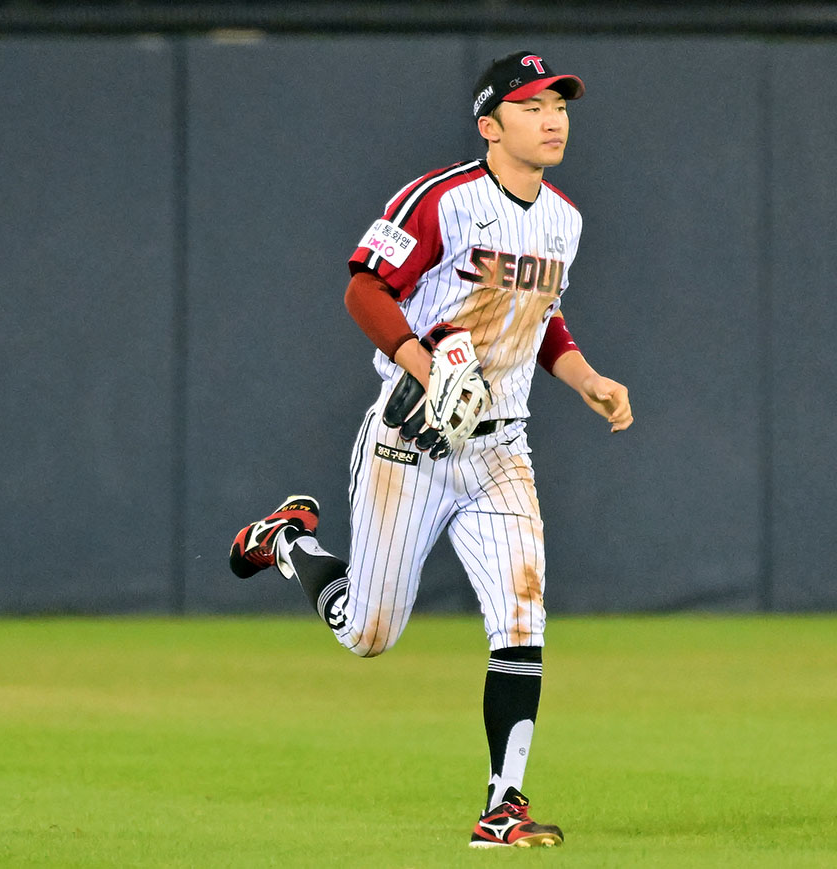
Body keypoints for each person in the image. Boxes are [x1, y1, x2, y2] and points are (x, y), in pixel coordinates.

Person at [229, 50, 632, 849]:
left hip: (500, 450)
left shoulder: (566, 220)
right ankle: (289, 542)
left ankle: (503, 804)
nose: (553, 118)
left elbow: (537, 315)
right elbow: (363, 288)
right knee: (368, 631)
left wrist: (584, 376)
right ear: (490, 125)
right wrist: (425, 365)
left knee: (521, 617)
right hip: (411, 444)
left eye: (560, 105)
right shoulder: (442, 202)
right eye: (531, 106)